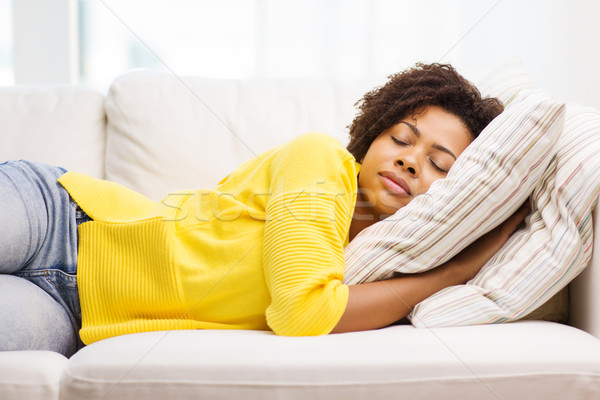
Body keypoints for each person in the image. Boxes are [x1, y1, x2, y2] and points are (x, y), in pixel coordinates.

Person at [0, 63, 525, 358]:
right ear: (371, 138)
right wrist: (455, 272)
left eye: (439, 163)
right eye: (401, 138)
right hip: (62, 220)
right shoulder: (320, 160)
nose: (411, 161)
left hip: (75, 315)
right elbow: (303, 311)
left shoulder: (377, 261)